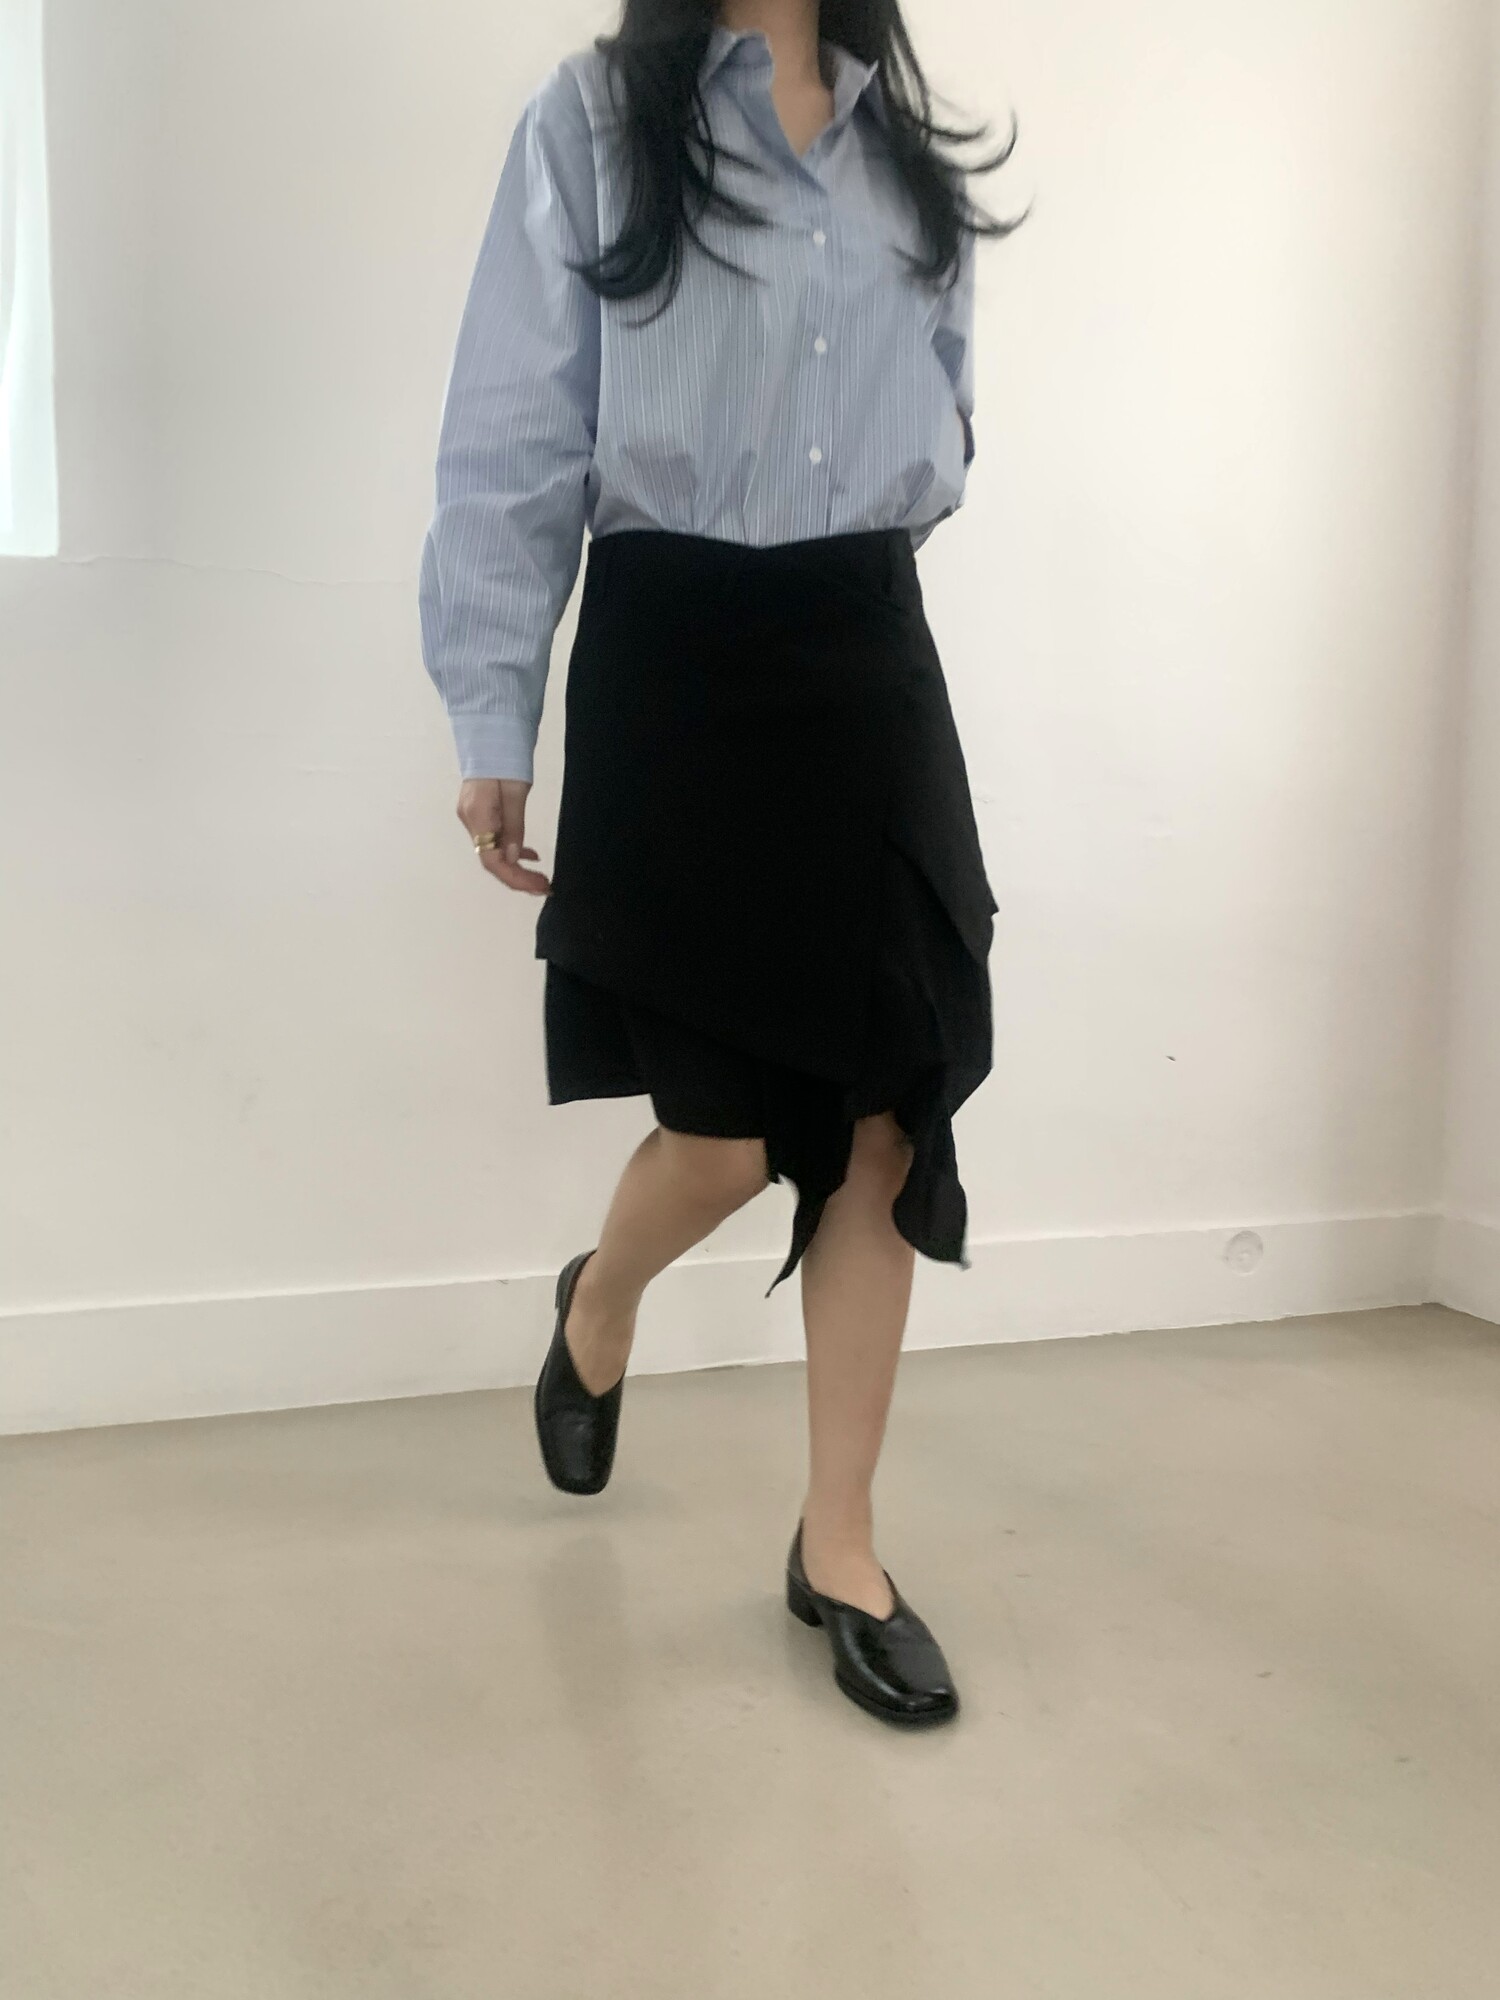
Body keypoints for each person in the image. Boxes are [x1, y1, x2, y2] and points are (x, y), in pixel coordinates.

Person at [419, 0, 1023, 1727]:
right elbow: (514, 427)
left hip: (862, 649)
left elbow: (945, 401)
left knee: (888, 1112)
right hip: (676, 655)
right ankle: (598, 1304)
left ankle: (842, 1546)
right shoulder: (596, 121)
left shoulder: (906, 141)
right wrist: (492, 708)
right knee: (726, 1134)